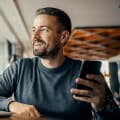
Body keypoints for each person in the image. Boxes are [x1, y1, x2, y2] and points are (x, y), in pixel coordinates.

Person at [0, 7, 119, 120]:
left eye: (44, 30)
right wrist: (12, 104)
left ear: (63, 37)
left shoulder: (85, 74)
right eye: (33, 30)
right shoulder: (20, 68)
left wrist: (100, 107)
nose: (34, 36)